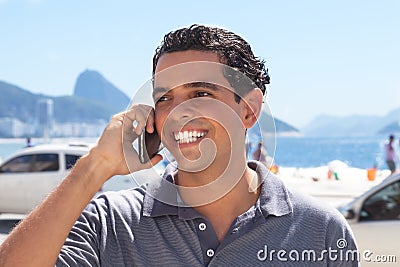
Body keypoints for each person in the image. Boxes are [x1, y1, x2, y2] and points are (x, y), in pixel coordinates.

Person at [0, 24, 358, 266]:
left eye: (201, 93)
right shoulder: (108, 222)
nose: (179, 113)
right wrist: (96, 166)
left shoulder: (322, 230)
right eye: (165, 98)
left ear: (248, 110)